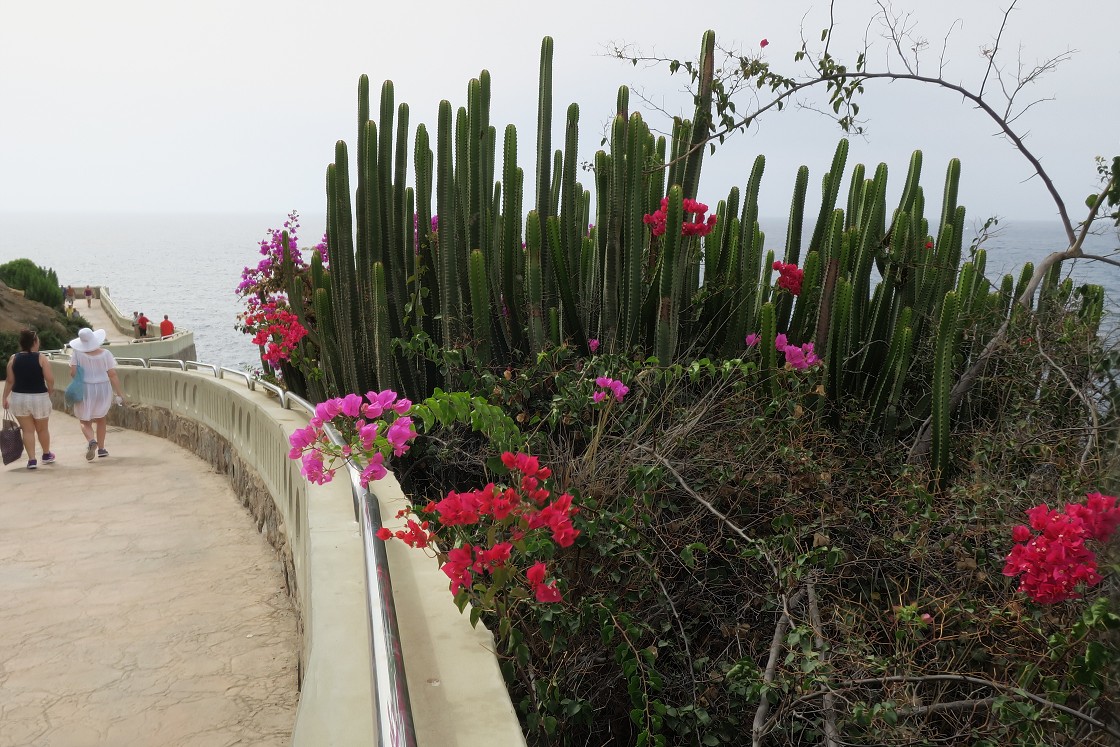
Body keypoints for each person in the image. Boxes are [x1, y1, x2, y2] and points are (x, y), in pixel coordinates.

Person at [68, 327, 126, 460]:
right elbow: (112, 374)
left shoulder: (77, 353)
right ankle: (101, 449)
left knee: (84, 419)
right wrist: (119, 393)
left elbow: (73, 373)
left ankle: (91, 440)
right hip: (103, 388)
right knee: (101, 418)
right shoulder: (106, 354)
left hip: (85, 388)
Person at [2, 329, 55, 469]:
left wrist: (4, 398)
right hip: (39, 397)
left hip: (19, 398)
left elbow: (9, 381)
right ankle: (46, 454)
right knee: (42, 429)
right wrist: (50, 390)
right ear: (35, 342)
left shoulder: (13, 358)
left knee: (27, 430)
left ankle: (32, 460)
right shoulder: (41, 358)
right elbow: (50, 379)